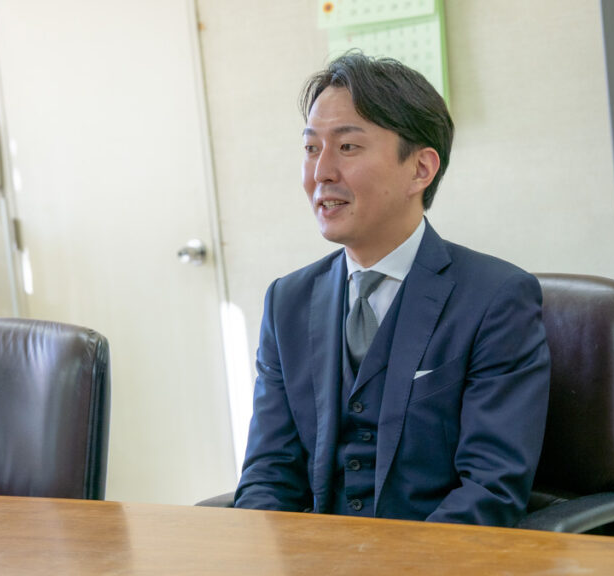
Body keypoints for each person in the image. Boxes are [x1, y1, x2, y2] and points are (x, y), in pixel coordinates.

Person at [234, 52, 551, 527]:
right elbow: (268, 476)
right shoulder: (287, 302)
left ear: (420, 169)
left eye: (347, 147)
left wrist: (398, 561)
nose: (321, 172)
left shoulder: (496, 299)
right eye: (311, 148)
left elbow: (490, 490)